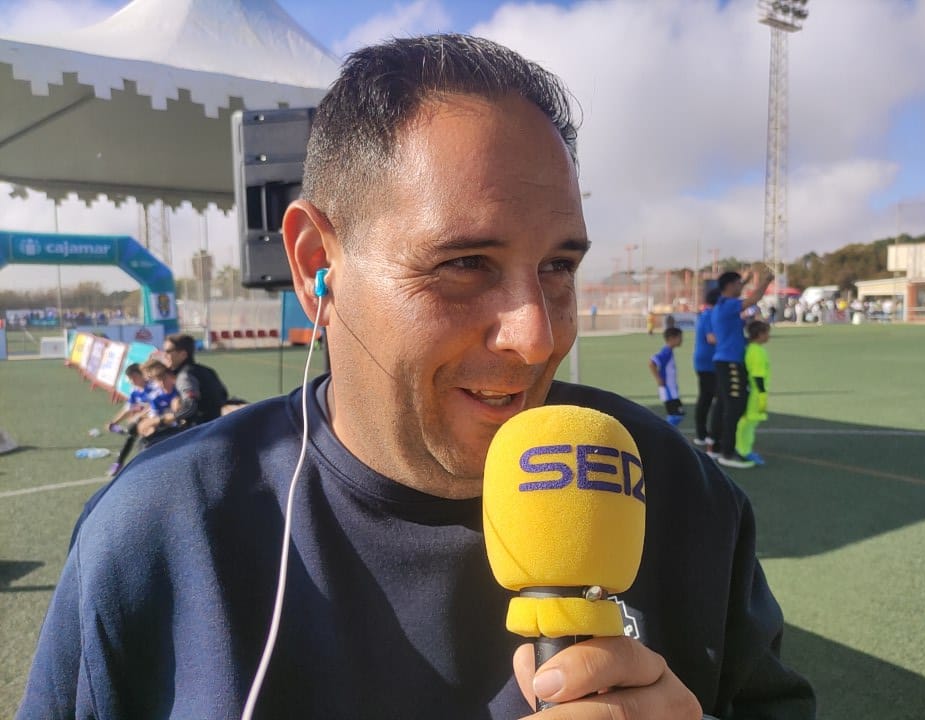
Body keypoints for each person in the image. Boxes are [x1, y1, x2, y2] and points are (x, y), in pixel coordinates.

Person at [18, 34, 813, 720]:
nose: (537, 336)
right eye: (466, 263)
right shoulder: (158, 535)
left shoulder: (673, 487)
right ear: (314, 265)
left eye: (558, 267)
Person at [711, 268, 774, 469]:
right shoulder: (729, 306)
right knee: (734, 407)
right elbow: (753, 299)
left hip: (723, 361)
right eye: (739, 284)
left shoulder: (721, 306)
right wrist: (765, 281)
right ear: (730, 286)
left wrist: (745, 279)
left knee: (723, 406)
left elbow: (740, 291)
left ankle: (718, 447)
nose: (741, 287)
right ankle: (728, 453)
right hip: (730, 364)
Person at [159, 332, 229, 429]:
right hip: (216, 427)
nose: (164, 355)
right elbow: (223, 395)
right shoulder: (207, 370)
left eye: (168, 351)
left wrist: (165, 419)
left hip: (200, 432)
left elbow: (190, 407)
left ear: (183, 354)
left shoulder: (185, 376)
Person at [735, 320, 771, 465]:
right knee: (750, 422)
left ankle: (743, 448)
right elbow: (757, 375)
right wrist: (762, 394)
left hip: (753, 391)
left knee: (748, 421)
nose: (769, 336)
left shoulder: (750, 349)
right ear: (760, 335)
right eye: (767, 333)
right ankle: (744, 451)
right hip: (756, 393)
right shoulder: (758, 352)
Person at [692, 288, 722, 453]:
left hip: (703, 361)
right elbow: (711, 338)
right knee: (712, 398)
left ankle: (702, 433)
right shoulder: (710, 315)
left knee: (706, 397)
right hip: (708, 362)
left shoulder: (705, 314)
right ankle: (707, 435)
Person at [648, 326, 685, 426]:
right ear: (672, 338)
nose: (682, 340)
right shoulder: (666, 351)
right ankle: (664, 435)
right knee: (676, 415)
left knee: (676, 414)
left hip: (672, 390)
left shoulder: (669, 351)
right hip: (668, 390)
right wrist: (658, 379)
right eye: (679, 337)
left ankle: (667, 435)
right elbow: (652, 362)